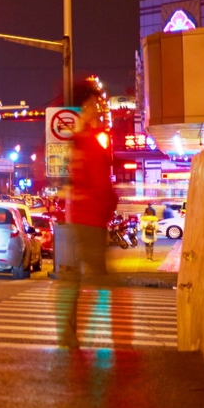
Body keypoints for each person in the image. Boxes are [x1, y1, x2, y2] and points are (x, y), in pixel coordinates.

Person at [55, 78, 119, 348]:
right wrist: (109, 209)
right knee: (104, 282)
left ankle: (67, 336)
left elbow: (67, 184)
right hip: (91, 222)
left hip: (71, 224)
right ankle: (115, 338)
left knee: (70, 282)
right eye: (93, 104)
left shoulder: (74, 145)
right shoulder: (91, 145)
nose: (97, 109)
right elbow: (103, 187)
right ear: (82, 108)